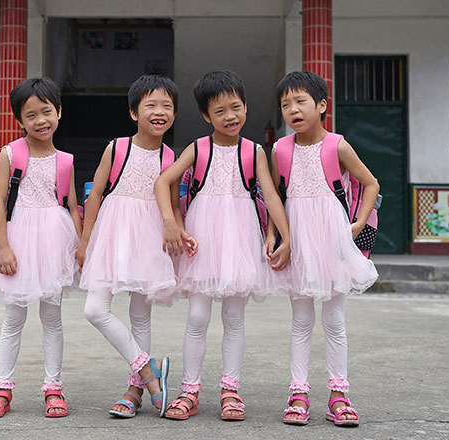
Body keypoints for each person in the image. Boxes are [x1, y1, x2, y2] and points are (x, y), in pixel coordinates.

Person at [154, 71, 291, 421]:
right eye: (220, 111)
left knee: (234, 317)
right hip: (203, 241)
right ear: (206, 115)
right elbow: (163, 181)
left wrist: (284, 236)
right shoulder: (198, 148)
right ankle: (189, 390)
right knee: (197, 317)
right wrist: (172, 223)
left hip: (240, 239)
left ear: (245, 106)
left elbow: (271, 195)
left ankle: (231, 390)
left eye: (236, 107)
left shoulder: (254, 151)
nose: (230, 116)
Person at [77, 74, 193, 418]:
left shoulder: (171, 156)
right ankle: (148, 369)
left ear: (174, 114)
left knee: (140, 315)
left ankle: (135, 391)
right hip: (112, 234)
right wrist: (86, 240)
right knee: (95, 309)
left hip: (150, 236)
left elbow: (173, 204)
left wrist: (180, 232)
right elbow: (96, 195)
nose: (159, 112)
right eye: (151, 105)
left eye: (167, 106)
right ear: (133, 112)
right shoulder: (117, 148)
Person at [270, 71, 379, 427]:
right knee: (301, 321)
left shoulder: (337, 146)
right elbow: (274, 197)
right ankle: (298, 392)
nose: (293, 110)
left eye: (300, 101)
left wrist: (358, 223)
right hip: (299, 243)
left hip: (332, 241)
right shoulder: (280, 150)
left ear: (321, 105)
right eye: (285, 104)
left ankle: (338, 394)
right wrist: (274, 236)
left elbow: (371, 183)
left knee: (334, 321)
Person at [0, 77, 82, 418]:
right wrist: (3, 248)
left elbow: (71, 206)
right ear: (19, 120)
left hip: (54, 241)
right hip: (18, 240)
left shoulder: (65, 160)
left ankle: (54, 388)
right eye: (31, 115)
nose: (40, 121)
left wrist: (80, 246)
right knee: (14, 317)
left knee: (52, 318)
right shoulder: (11, 153)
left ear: (59, 112)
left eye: (46, 112)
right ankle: (3, 388)